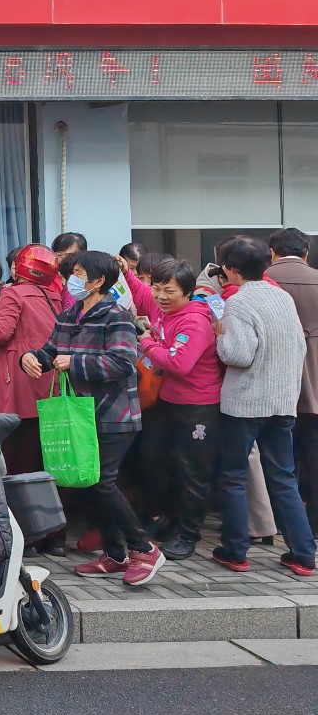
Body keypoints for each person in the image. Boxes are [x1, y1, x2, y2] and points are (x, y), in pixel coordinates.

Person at [24, 250, 164, 586]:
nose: (72, 280)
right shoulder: (70, 313)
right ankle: (115, 554)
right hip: (81, 415)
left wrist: (74, 362)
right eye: (72, 273)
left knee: (103, 483)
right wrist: (31, 358)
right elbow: (51, 351)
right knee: (91, 483)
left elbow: (122, 364)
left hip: (114, 414)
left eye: (79, 273)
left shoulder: (116, 316)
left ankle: (144, 549)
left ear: (99, 280)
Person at [213, 237, 317, 577]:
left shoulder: (239, 302)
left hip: (245, 403)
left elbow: (238, 355)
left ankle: (235, 551)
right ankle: (304, 554)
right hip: (283, 401)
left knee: (233, 476)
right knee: (284, 478)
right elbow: (299, 345)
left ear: (230, 269)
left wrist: (220, 334)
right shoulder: (281, 297)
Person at [138, 261, 224, 562]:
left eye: (169, 291)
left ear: (187, 292)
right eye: (156, 289)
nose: (160, 296)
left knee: (192, 472)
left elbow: (179, 363)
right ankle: (170, 522)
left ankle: (188, 534)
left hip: (198, 406)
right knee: (162, 463)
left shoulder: (194, 321)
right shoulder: (166, 314)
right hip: (169, 401)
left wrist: (147, 343)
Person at [0, 245, 61, 478]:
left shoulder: (12, 293)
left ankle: (22, 498)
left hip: (18, 377)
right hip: (48, 375)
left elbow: (0, 331)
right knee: (43, 448)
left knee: (17, 451)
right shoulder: (53, 295)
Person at [265, 228, 318, 537]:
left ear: (272, 252)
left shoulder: (260, 281)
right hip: (315, 380)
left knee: (277, 455)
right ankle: (313, 519)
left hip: (274, 379)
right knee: (313, 451)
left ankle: (278, 519)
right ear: (306, 253)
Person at [117, 242, 160, 330]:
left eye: (139, 268)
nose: (135, 273)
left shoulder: (156, 291)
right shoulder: (115, 287)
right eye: (131, 268)